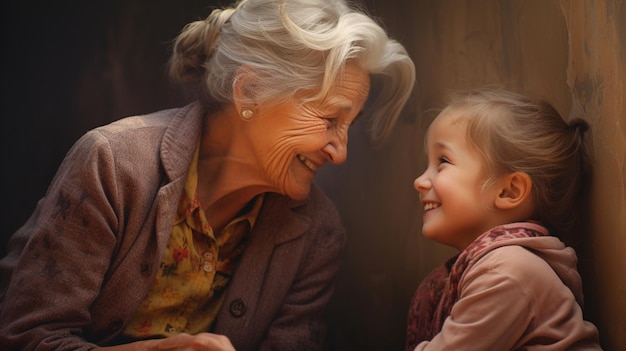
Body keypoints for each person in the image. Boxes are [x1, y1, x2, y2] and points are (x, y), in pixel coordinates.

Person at [0, 0, 415, 350]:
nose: (339, 152)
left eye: (349, 126)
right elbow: (27, 337)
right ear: (249, 92)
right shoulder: (113, 163)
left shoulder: (317, 233)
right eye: (328, 119)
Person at [406, 89, 602, 350]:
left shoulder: (508, 272)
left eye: (442, 162)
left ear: (509, 191)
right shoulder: (497, 265)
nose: (419, 181)